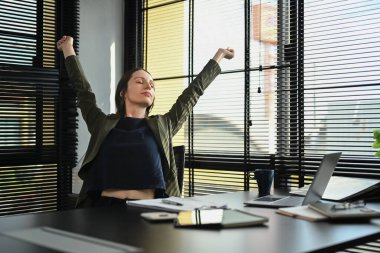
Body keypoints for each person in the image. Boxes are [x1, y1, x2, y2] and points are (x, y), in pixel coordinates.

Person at [57, 35, 235, 208]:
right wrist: (68, 48)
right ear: (123, 92)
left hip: (150, 210)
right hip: (103, 211)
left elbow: (193, 92)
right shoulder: (102, 124)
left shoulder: (164, 125)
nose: (148, 86)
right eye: (140, 81)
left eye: (151, 84)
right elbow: (83, 91)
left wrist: (219, 56)